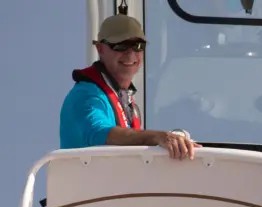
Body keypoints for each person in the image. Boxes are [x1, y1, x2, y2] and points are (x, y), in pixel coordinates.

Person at [59, 13, 199, 160]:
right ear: (100, 49)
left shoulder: (126, 101)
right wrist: (159, 137)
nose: (131, 53)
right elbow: (100, 132)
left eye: (138, 46)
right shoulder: (86, 95)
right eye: (121, 45)